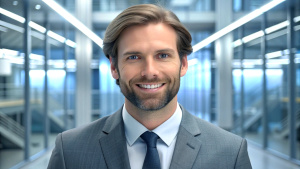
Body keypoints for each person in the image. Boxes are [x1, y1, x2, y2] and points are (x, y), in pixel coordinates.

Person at [47, 4, 252, 169]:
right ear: (114, 67)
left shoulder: (230, 153)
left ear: (183, 64)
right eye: (134, 57)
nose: (149, 71)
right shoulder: (70, 150)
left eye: (163, 55)